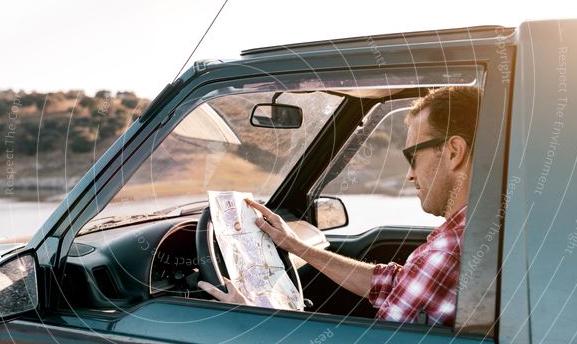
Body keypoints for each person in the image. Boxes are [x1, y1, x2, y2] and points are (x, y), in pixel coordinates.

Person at [199, 86, 480, 327]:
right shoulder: (471, 230)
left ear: (453, 152)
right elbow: (395, 285)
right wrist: (296, 246)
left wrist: (258, 318)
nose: (410, 174)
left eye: (412, 156)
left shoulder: (450, 252)